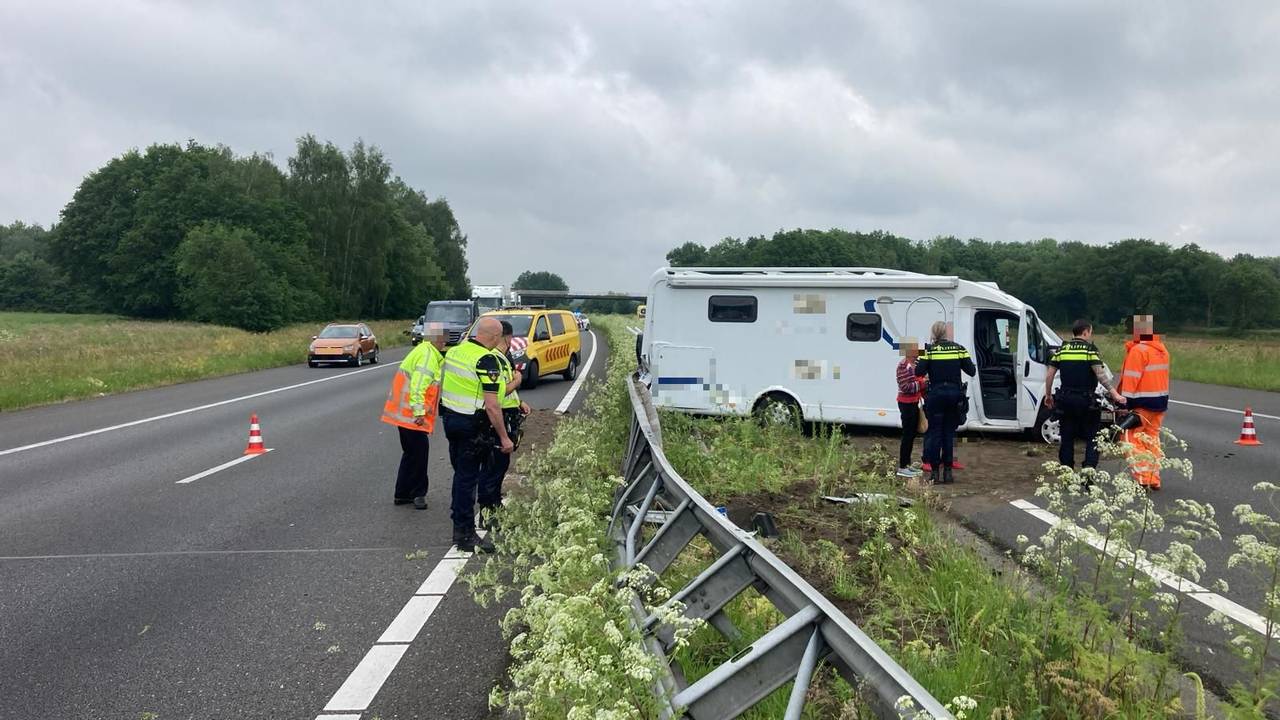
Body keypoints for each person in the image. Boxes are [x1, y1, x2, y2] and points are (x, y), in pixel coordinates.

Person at [440, 317, 513, 553]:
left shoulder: (456, 352)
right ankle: (464, 533)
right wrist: (504, 438)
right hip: (472, 425)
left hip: (451, 420)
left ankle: (461, 526)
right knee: (467, 479)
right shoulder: (486, 360)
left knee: (460, 475)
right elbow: (493, 405)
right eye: (498, 337)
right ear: (493, 337)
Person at [1044, 319, 1127, 471]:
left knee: (1067, 438)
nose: (1090, 335)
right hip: (1086, 401)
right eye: (1090, 332)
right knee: (1092, 438)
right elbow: (1100, 375)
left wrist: (1048, 395)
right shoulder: (1090, 350)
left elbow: (1049, 375)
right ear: (1085, 332)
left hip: (1066, 400)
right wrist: (1115, 394)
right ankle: (1088, 471)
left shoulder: (1062, 350)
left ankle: (1067, 472)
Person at [381, 322, 447, 509]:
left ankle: (402, 494)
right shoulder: (428, 356)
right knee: (419, 454)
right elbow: (418, 386)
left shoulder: (423, 351)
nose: (445, 343)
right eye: (443, 339)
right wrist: (419, 412)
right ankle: (418, 494)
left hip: (403, 414)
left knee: (410, 454)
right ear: (436, 340)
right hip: (412, 416)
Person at [477, 321, 532, 527]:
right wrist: (517, 381)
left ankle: (495, 505)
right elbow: (499, 393)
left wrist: (519, 402)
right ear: (507, 338)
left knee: (499, 466)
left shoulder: (501, 359)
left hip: (507, 413)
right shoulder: (497, 360)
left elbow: (505, 391)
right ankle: (487, 512)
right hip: (498, 417)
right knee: (493, 466)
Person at [915, 320, 976, 485]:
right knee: (949, 434)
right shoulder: (959, 349)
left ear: (934, 334)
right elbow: (972, 371)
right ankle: (948, 473)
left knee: (935, 433)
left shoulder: (929, 351)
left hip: (936, 395)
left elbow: (918, 371)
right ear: (946, 333)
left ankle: (934, 473)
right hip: (954, 396)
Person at [1117, 314, 1170, 490]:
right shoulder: (1162, 349)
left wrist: (1124, 404)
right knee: (1151, 439)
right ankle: (1154, 477)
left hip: (1142, 403)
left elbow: (1131, 379)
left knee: (1130, 439)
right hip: (1159, 403)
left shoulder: (1138, 351)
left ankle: (1144, 477)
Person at [894, 338, 926, 478]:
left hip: (913, 402)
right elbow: (905, 387)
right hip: (906, 403)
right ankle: (902, 466)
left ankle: (907, 464)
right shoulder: (903, 366)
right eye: (915, 349)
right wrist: (922, 383)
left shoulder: (914, 364)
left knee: (912, 433)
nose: (918, 351)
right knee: (907, 434)